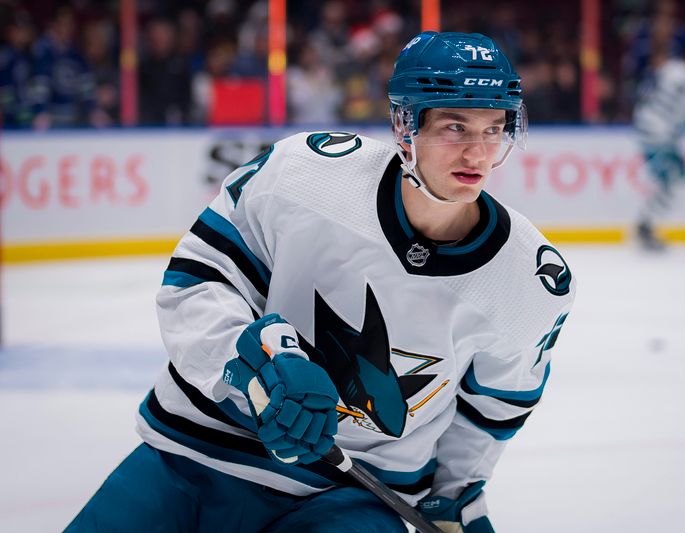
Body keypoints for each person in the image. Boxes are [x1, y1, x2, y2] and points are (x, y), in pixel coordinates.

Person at [67, 31, 576, 532]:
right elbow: (196, 282)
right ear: (404, 125)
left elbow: (490, 414)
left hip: (353, 496)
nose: (477, 154)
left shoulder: (527, 282)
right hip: (197, 451)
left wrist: (455, 498)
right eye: (454, 127)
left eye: (494, 128)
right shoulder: (306, 174)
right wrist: (255, 369)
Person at [632, 38, 685, 250]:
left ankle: (645, 223)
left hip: (654, 128)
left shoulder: (674, 69)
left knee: (673, 177)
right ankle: (645, 225)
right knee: (672, 177)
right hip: (658, 132)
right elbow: (682, 109)